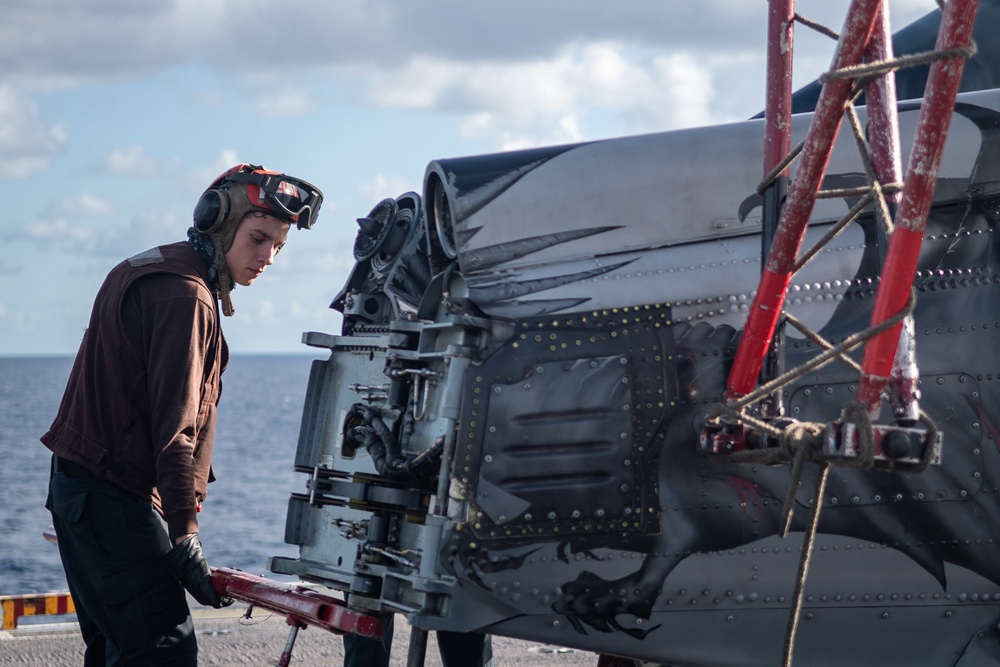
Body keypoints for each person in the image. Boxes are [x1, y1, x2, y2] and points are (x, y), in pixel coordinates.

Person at [41, 163, 323, 666]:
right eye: (259, 238)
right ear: (219, 221)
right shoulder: (186, 296)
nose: (268, 257)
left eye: (278, 245)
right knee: (162, 654)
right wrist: (184, 534)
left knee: (116, 650)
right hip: (113, 501)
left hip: (78, 493)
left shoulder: (154, 268)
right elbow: (175, 434)